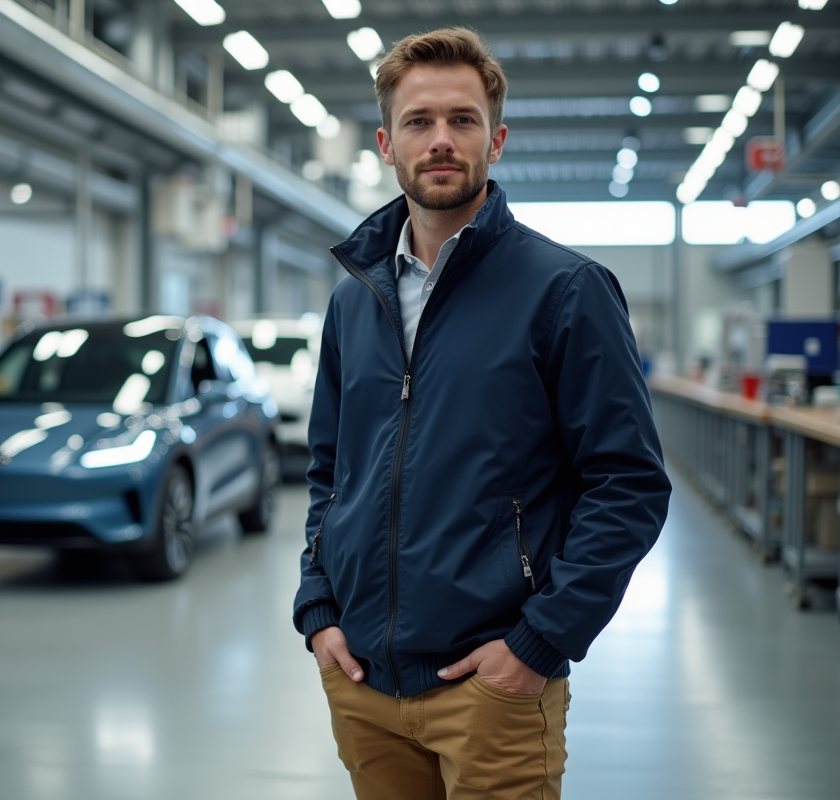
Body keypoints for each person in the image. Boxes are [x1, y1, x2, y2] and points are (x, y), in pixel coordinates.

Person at [292, 27, 672, 800]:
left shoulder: (565, 291)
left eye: (462, 120)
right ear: (384, 143)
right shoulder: (351, 300)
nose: (441, 140)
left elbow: (628, 484)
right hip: (363, 683)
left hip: (491, 684)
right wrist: (318, 608)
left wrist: (539, 642)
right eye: (419, 121)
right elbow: (331, 470)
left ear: (495, 140)